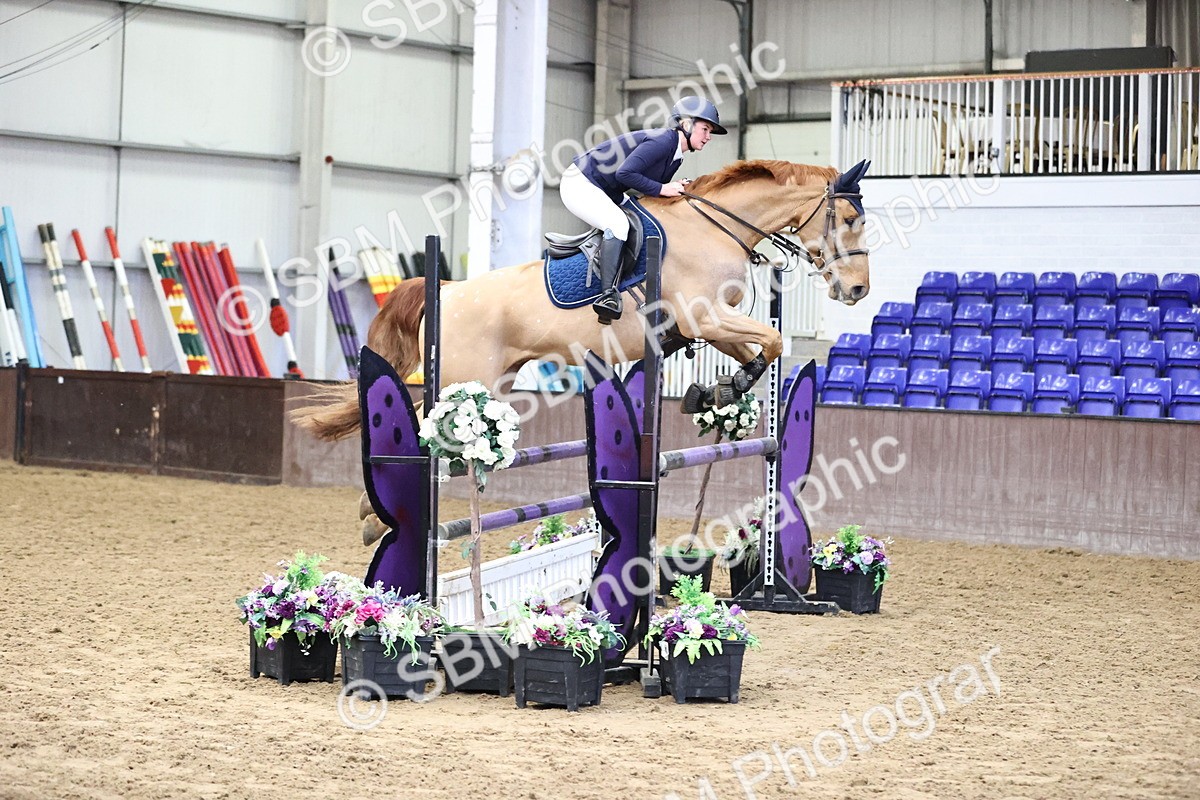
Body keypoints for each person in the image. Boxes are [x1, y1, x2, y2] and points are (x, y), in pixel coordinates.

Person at [560, 96, 727, 323]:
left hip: (608, 189)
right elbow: (625, 174)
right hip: (581, 182)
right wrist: (663, 188)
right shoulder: (663, 141)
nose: (708, 137)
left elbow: (648, 190)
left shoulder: (676, 156)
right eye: (705, 129)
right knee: (617, 225)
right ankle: (608, 296)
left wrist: (676, 189)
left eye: (710, 132)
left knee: (643, 221)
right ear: (686, 124)